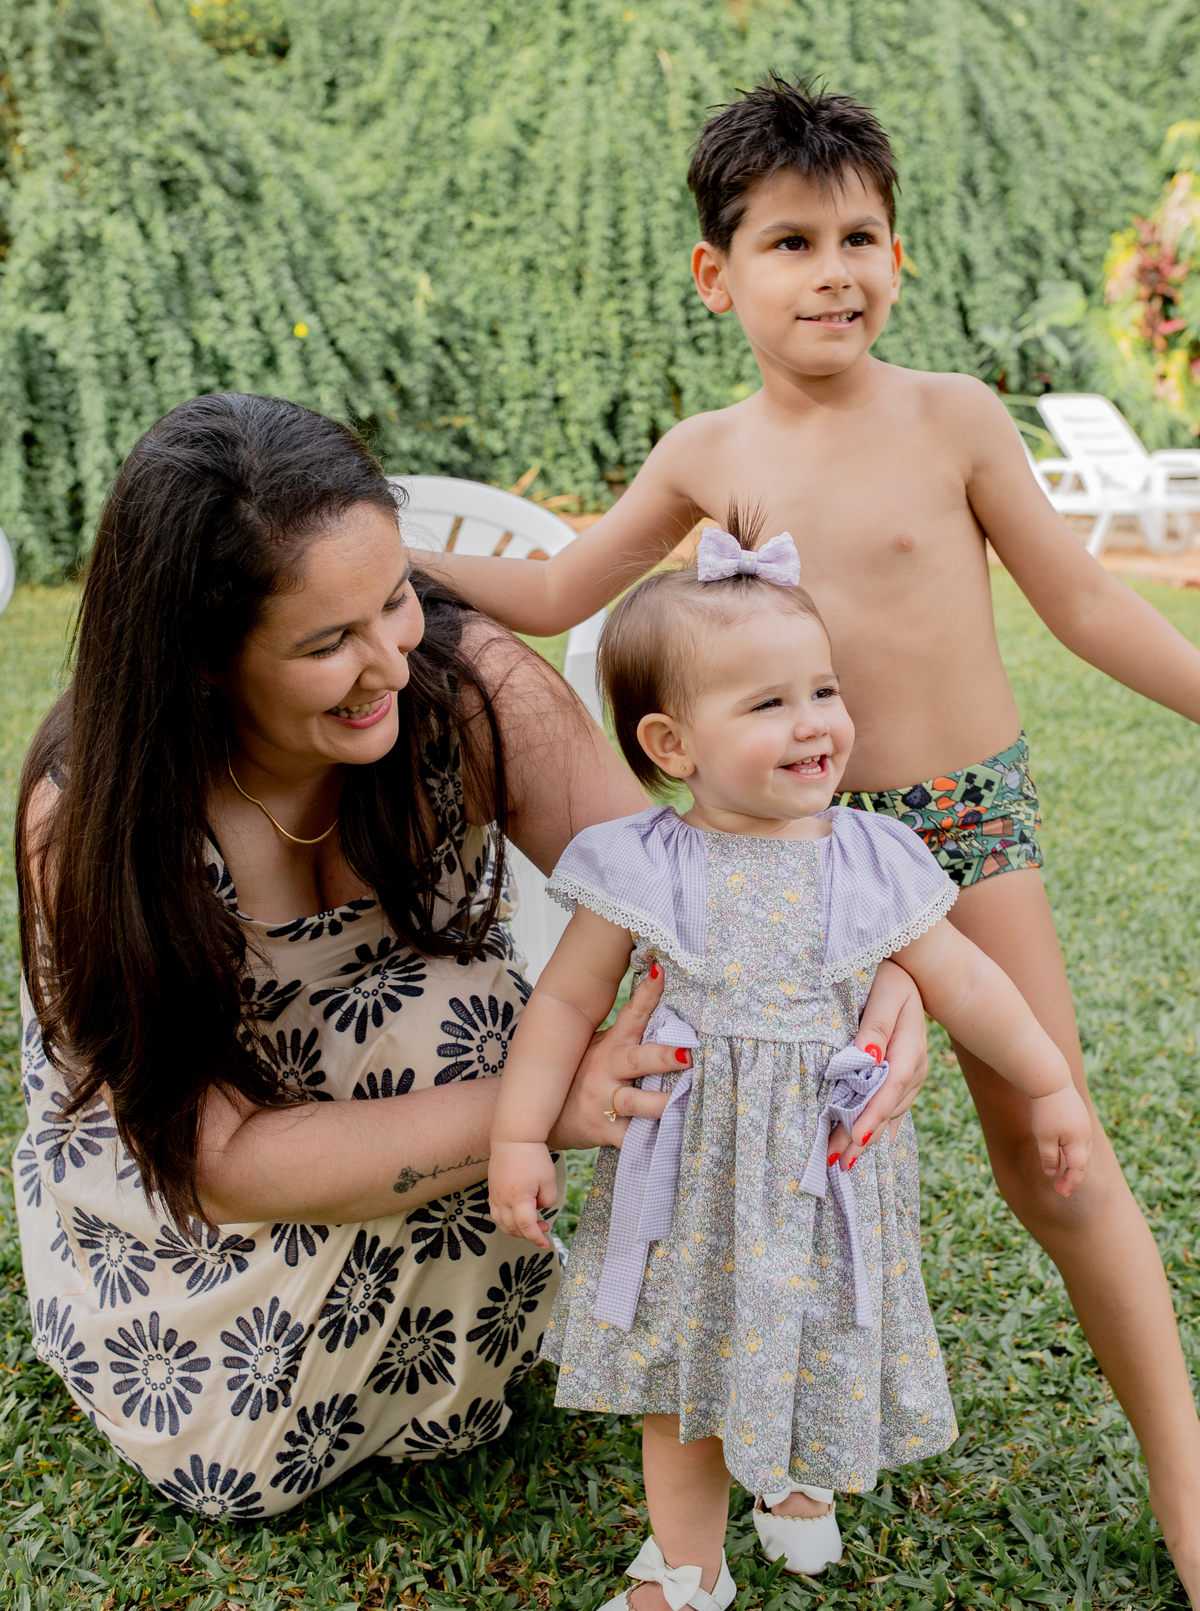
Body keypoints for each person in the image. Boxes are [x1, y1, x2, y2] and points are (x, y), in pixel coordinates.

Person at [416, 78, 1200, 1597]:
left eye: (860, 237)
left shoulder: (954, 416)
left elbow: (1088, 601)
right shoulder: (707, 450)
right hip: (776, 848)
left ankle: (1185, 1476)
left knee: (1058, 1157)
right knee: (753, 1157)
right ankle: (739, 1475)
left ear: (897, 252)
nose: (834, 271)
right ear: (718, 274)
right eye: (791, 242)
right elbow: (565, 586)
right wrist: (392, 557)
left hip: (963, 827)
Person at [14, 391, 721, 1518]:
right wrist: (544, 1103)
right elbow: (220, 1160)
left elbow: (684, 901)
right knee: (243, 1463)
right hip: (200, 1207)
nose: (391, 660)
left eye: (395, 597)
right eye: (325, 643)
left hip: (428, 1120)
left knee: (459, 1016)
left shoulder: (464, 685)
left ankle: (446, 1364)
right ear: (203, 659)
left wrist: (880, 979)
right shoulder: (99, 817)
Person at [487, 526, 1092, 1609]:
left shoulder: (872, 858)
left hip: (822, 1172)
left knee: (811, 1333)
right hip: (691, 1178)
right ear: (673, 744)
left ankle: (798, 1478)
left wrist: (1049, 1082)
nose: (814, 722)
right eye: (768, 703)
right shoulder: (648, 864)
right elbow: (567, 1004)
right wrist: (520, 1132)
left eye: (824, 690)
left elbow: (967, 983)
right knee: (684, 1373)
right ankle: (688, 1567)